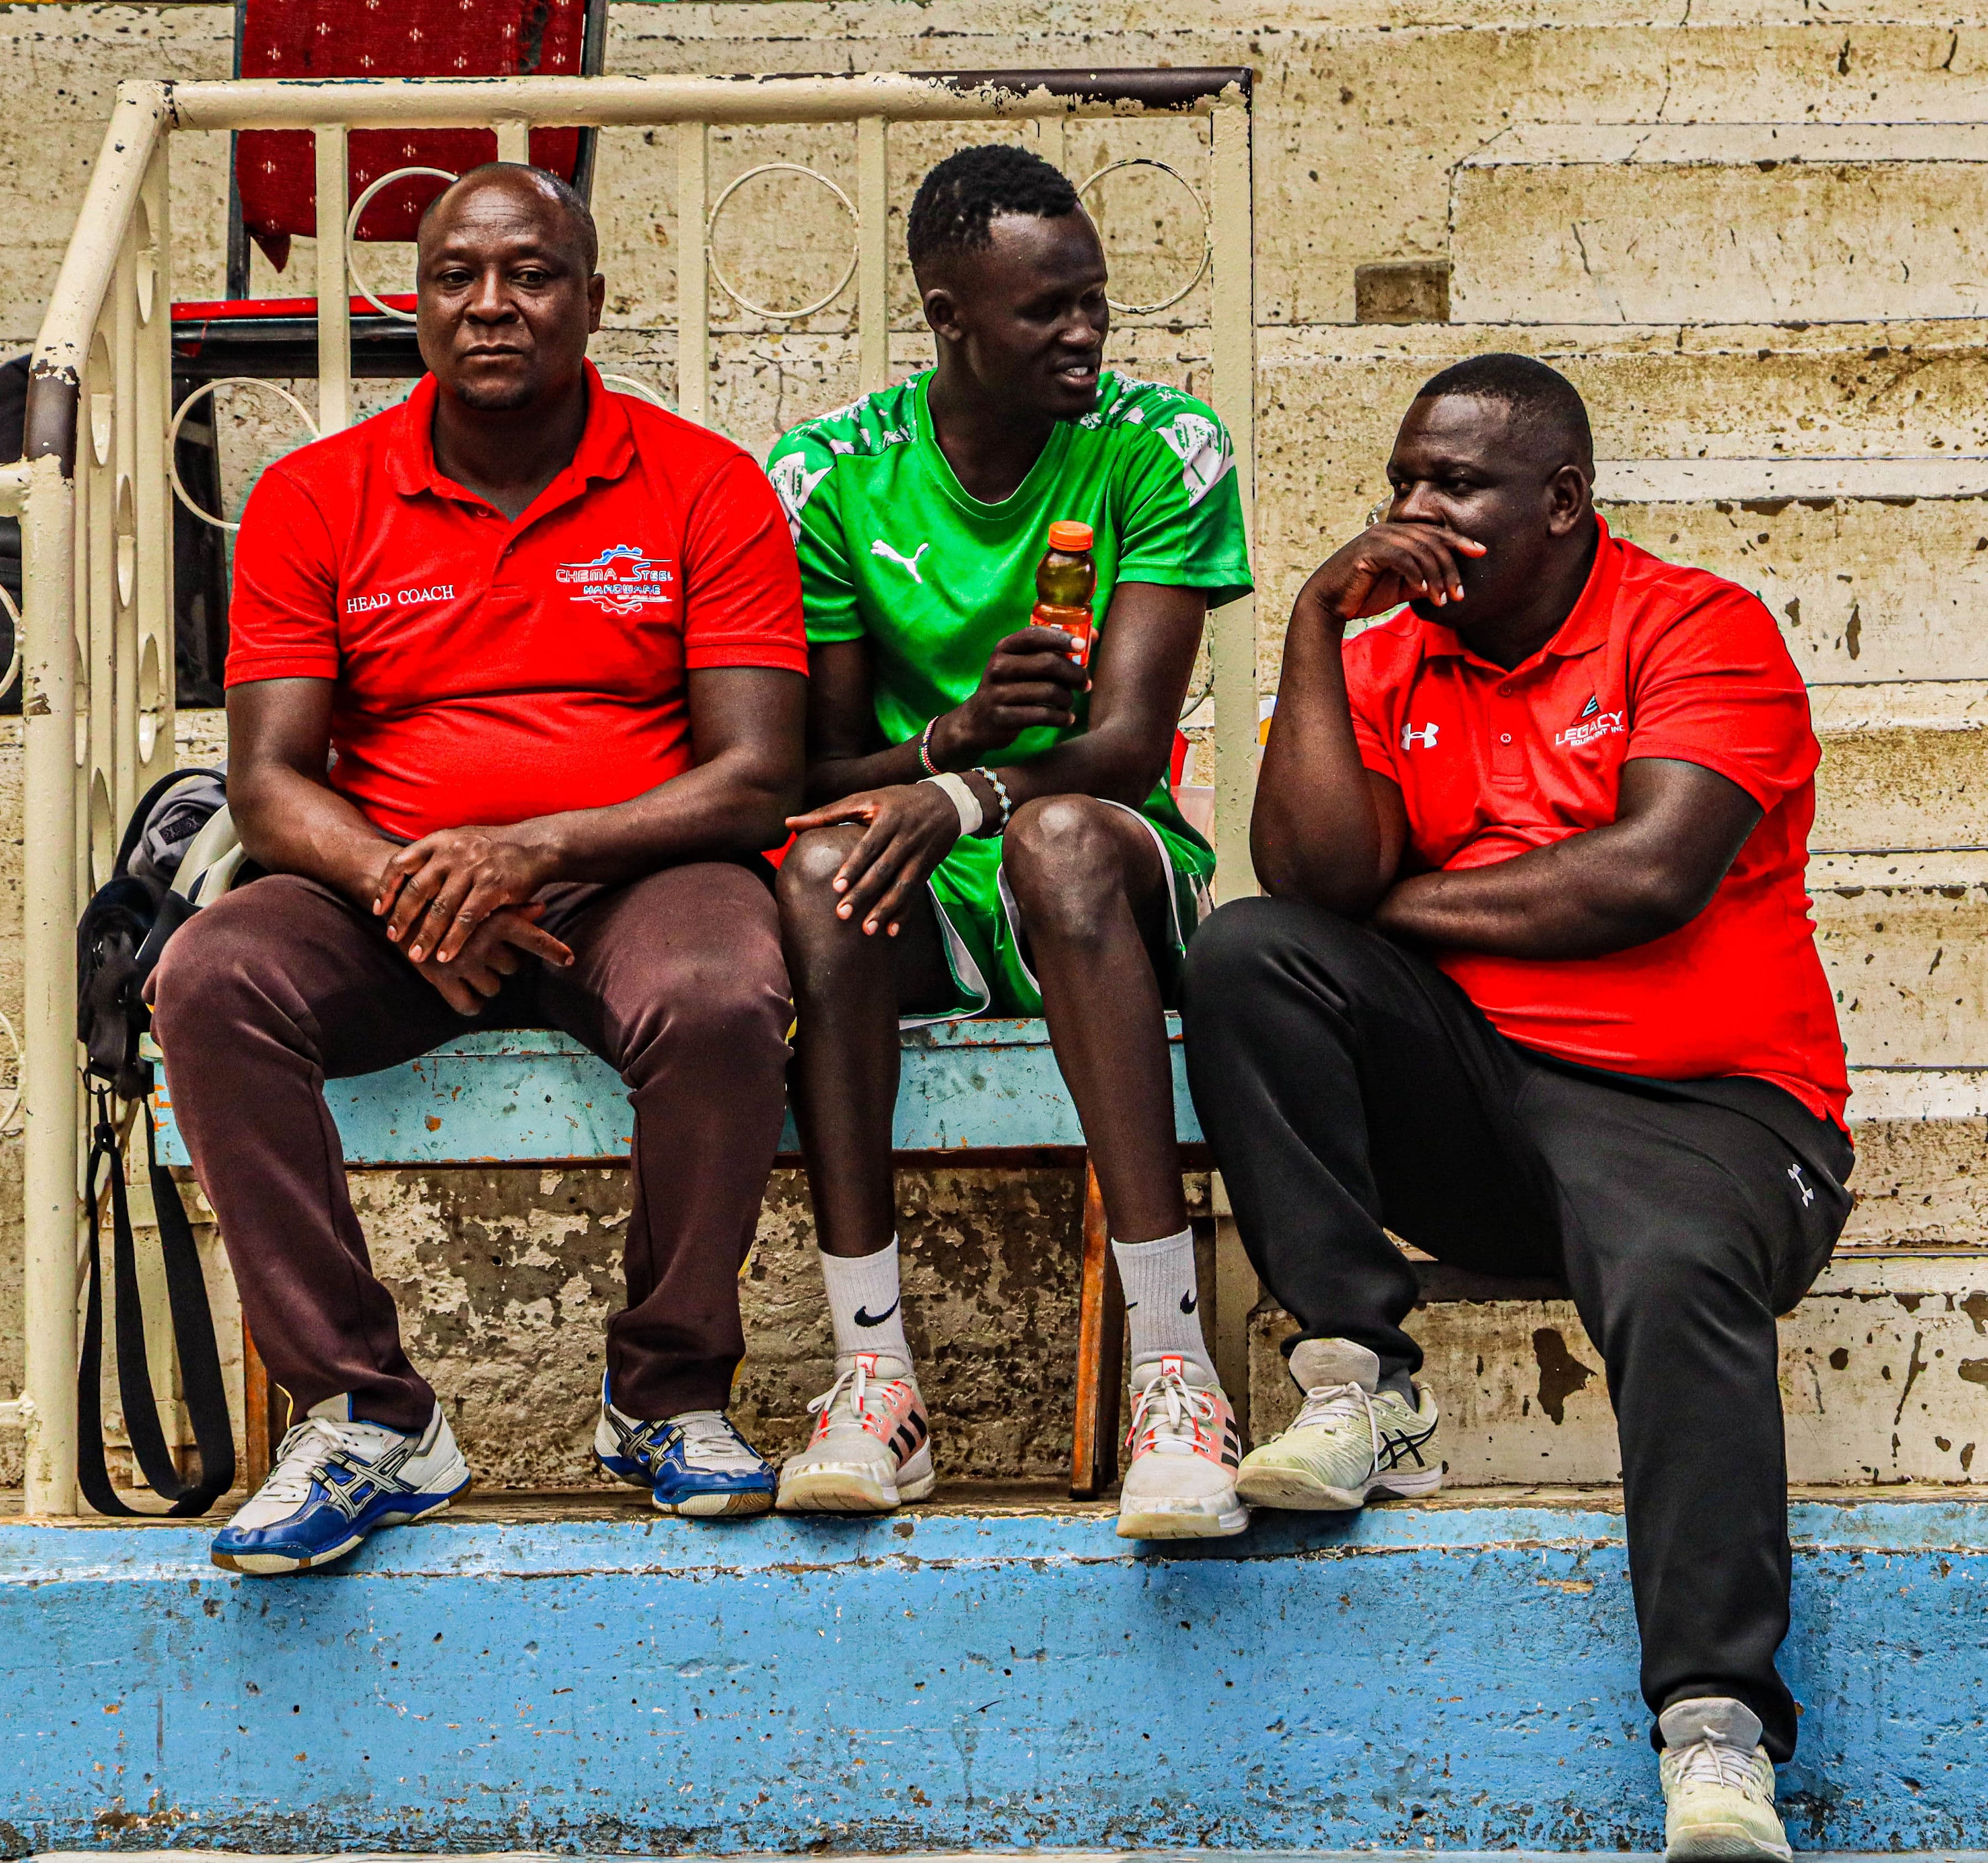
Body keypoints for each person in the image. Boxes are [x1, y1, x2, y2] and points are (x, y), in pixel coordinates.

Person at [1184, 352, 1849, 1856]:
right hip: (1494, 1112)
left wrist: (1400, 905)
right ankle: (1361, 1373)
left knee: (1676, 1273)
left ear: (1562, 503)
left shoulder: (1698, 626)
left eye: (1459, 486)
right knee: (1251, 954)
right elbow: (1309, 883)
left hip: (1716, 1112)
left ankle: (1716, 1730)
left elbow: (1644, 873)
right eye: (1404, 479)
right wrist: (1311, 622)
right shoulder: (1388, 651)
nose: (1416, 513)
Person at [150, 164, 810, 1573]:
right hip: (385, 890)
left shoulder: (705, 484)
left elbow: (758, 774)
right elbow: (268, 786)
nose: (493, 306)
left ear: (591, 299)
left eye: (533, 275)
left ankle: (667, 1391)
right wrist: (409, 883)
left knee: (722, 989)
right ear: (417, 298)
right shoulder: (319, 496)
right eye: (458, 275)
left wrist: (533, 850)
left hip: (632, 877)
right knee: (209, 977)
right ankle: (365, 1414)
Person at [764, 145, 1252, 1537]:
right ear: (948, 314)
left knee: (1061, 841)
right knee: (816, 867)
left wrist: (974, 788)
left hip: (1109, 860)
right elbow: (817, 767)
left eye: (1094, 302)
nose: (1086, 333)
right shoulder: (833, 477)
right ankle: (876, 1375)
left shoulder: (1161, 444)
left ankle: (1176, 1369)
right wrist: (952, 742)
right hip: (933, 855)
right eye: (1048, 310)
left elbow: (1128, 749)